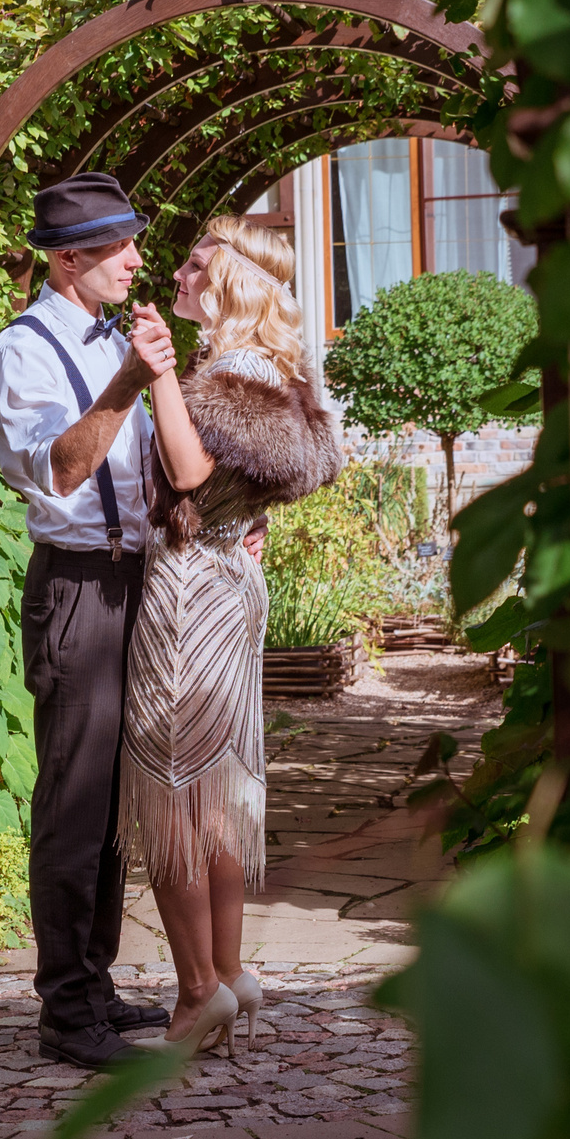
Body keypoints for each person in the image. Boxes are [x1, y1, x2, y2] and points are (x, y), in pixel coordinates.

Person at [118, 216, 345, 1057]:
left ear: (232, 282)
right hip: (228, 580)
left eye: (193, 262)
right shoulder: (264, 368)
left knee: (172, 788)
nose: (176, 272)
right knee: (215, 792)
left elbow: (187, 472)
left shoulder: (224, 376)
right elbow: (273, 476)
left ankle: (194, 994)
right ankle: (228, 972)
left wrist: (161, 375)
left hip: (190, 591)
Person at [0, 173, 179, 1068]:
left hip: (135, 580)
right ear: (69, 260)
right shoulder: (20, 352)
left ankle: (94, 984)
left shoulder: (115, 336)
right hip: (76, 592)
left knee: (111, 804)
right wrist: (127, 385)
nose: (138, 259)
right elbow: (60, 472)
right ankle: (66, 1010)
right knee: (71, 800)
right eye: (120, 246)